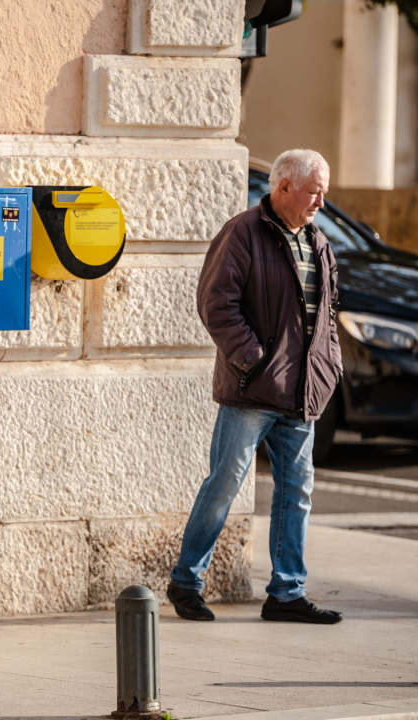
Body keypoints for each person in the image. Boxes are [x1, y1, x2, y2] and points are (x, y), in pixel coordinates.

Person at [168, 149, 344, 624]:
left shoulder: (318, 242)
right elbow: (216, 304)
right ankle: (186, 581)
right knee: (224, 484)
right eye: (314, 192)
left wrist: (328, 367)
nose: (321, 202)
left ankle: (286, 592)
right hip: (252, 390)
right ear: (284, 187)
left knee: (296, 492)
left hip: (301, 393)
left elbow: (326, 317)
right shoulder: (242, 232)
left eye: (324, 193)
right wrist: (255, 361)